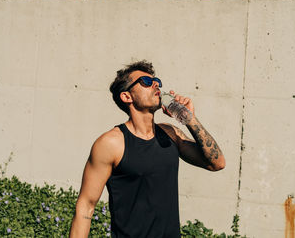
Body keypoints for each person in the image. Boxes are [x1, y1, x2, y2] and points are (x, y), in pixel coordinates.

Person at [69, 60, 225, 238]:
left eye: (157, 81)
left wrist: (189, 119)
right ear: (127, 96)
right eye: (146, 82)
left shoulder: (171, 133)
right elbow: (86, 205)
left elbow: (217, 163)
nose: (156, 85)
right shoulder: (111, 143)